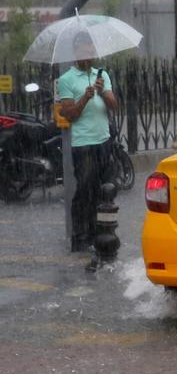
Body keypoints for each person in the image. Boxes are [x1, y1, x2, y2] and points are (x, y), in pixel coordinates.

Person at [57, 33, 117, 253]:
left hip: (103, 141)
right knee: (85, 190)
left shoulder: (102, 75)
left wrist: (102, 92)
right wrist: (84, 97)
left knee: (106, 189)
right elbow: (69, 114)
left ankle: (103, 232)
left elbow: (113, 104)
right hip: (83, 145)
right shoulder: (66, 80)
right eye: (83, 52)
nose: (88, 57)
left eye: (90, 52)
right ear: (76, 54)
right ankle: (80, 236)